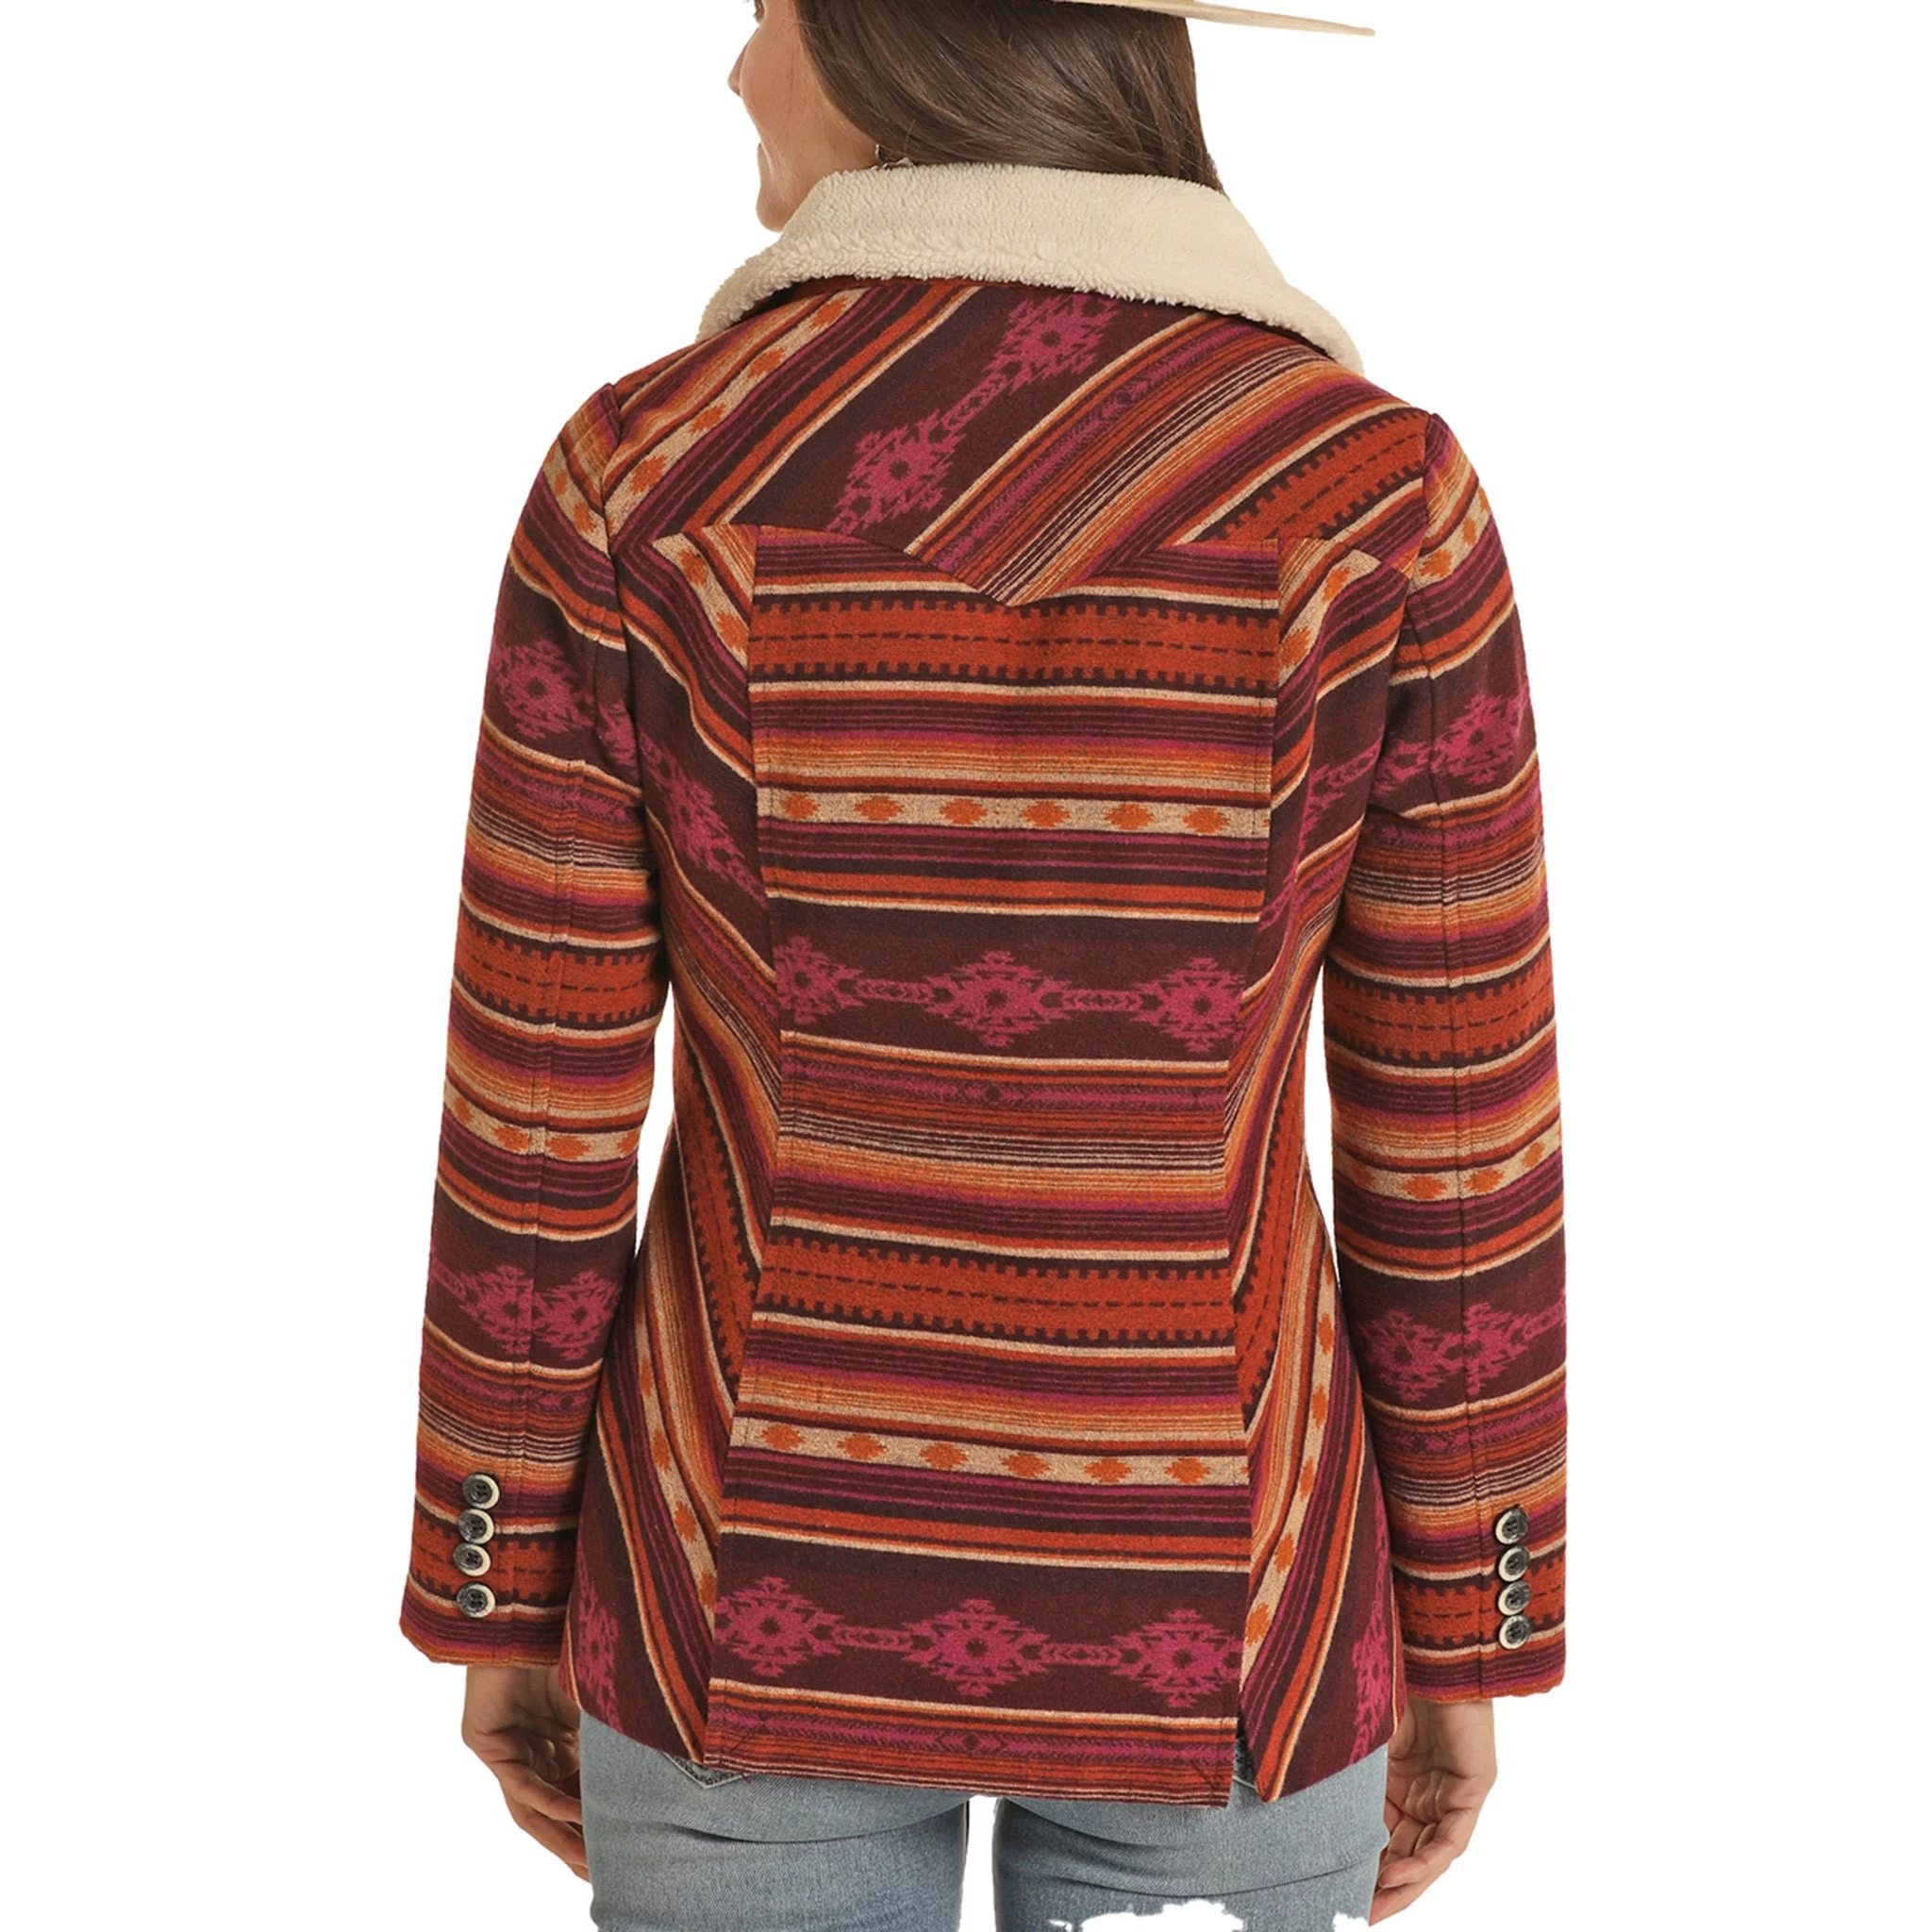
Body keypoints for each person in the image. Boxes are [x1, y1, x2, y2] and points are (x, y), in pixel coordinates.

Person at [397, 3, 1568, 1927]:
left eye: (765, 6)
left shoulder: (642, 480)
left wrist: (496, 1578)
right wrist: (1472, 1609)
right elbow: (1460, 1137)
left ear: (904, 32)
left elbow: (537, 1113)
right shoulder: (1373, 499)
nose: (735, 68)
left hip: (728, 1585)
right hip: (1242, 1605)